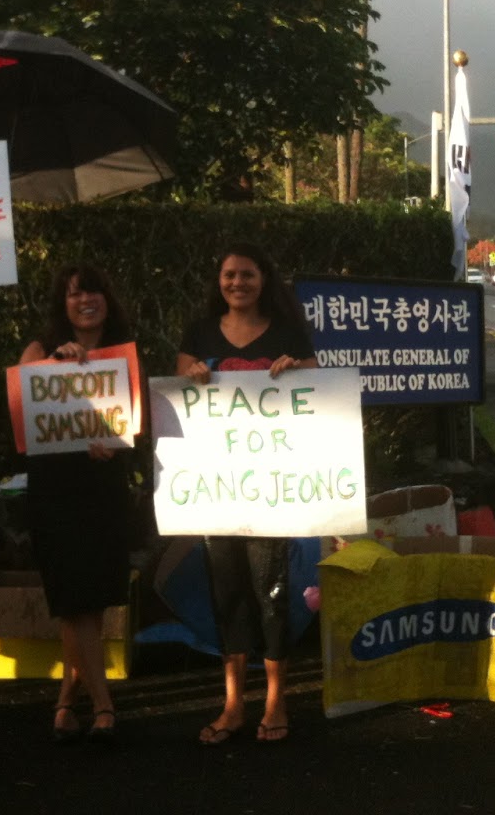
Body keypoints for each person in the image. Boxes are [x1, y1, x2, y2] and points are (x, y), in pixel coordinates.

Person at [175, 243, 317, 747]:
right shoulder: (198, 334)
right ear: (219, 281)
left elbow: (318, 392)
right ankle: (233, 704)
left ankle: (277, 701)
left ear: (264, 279)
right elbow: (178, 401)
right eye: (230, 274)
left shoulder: (288, 332)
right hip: (218, 490)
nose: (238, 283)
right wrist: (189, 375)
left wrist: (298, 370)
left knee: (272, 594)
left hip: (271, 490)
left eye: (248, 275)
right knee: (228, 596)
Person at [18, 265, 136, 747]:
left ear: (108, 298)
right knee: (73, 600)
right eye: (74, 293)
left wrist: (118, 446)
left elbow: (136, 423)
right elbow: (23, 395)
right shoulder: (41, 348)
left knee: (91, 599)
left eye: (94, 289)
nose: (86, 299)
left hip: (104, 486)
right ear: (61, 304)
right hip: (56, 488)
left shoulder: (124, 353)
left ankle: (67, 699)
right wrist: (58, 365)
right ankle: (103, 704)